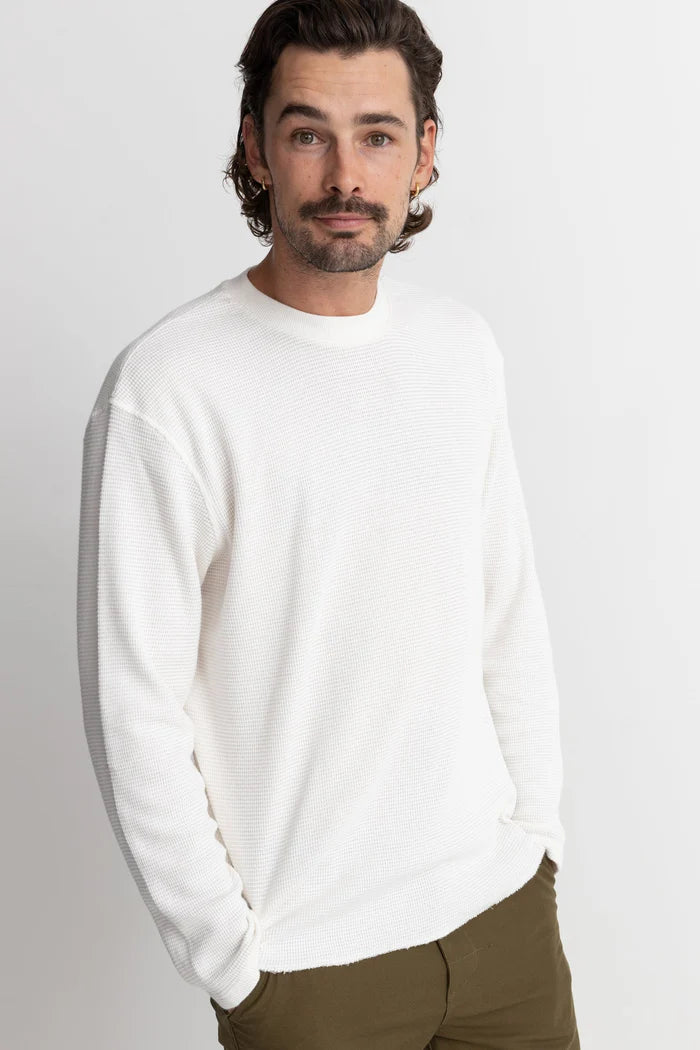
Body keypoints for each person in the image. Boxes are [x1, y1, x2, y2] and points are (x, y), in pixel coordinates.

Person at [76, 1, 580, 1047]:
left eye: (377, 136)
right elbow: (133, 710)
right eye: (308, 134)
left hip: (503, 928)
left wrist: (535, 837)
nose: (345, 176)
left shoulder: (459, 350)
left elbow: (507, 618)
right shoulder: (169, 390)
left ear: (423, 152)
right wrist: (235, 965)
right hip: (311, 973)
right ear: (255, 148)